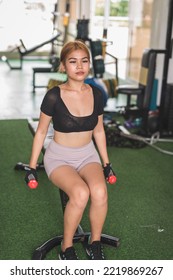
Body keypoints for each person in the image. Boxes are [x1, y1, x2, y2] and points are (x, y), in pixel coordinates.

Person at [25, 40, 115, 260]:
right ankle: (67, 247)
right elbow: (40, 132)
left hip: (87, 155)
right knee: (80, 193)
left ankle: (94, 242)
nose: (80, 66)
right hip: (60, 158)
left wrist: (106, 163)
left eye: (84, 61)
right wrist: (32, 166)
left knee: (100, 192)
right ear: (63, 66)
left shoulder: (96, 94)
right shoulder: (54, 96)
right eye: (73, 62)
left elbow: (99, 132)